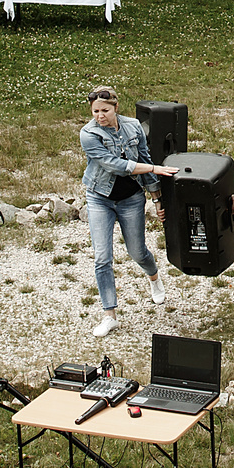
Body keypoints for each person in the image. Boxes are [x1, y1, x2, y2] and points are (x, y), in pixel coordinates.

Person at [77, 86, 175, 338]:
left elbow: (143, 153)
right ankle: (109, 314)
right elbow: (115, 165)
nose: (100, 116)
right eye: (95, 111)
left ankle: (154, 278)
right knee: (102, 257)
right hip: (100, 197)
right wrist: (153, 168)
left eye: (105, 111)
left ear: (116, 108)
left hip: (131, 198)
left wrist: (156, 200)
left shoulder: (133, 127)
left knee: (137, 251)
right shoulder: (88, 134)